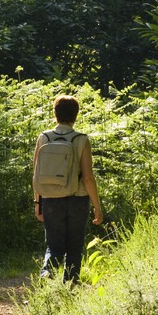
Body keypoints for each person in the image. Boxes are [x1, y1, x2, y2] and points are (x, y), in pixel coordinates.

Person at [32, 94, 103, 283]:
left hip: (50, 198)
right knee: (74, 246)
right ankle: (71, 286)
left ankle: (46, 275)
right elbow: (87, 177)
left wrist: (38, 201)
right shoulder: (81, 139)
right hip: (77, 198)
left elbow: (36, 174)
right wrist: (97, 206)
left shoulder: (44, 137)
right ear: (76, 115)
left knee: (53, 246)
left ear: (55, 113)